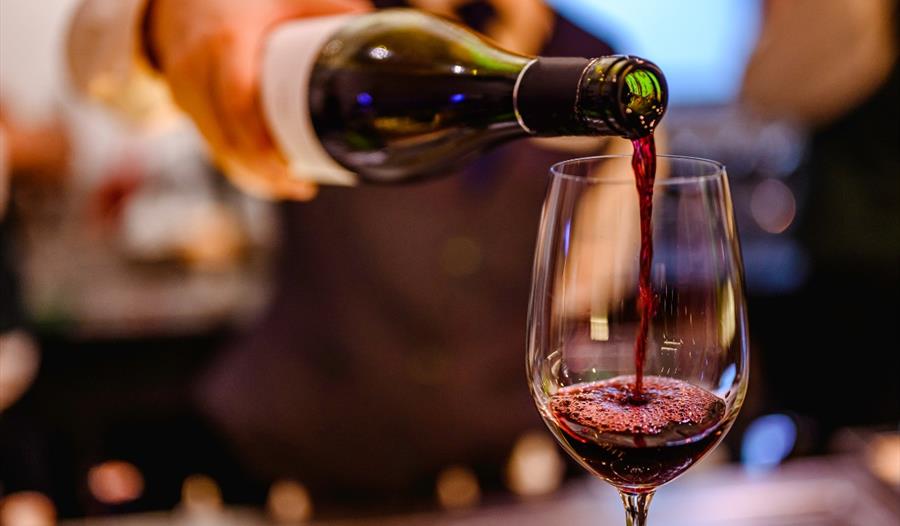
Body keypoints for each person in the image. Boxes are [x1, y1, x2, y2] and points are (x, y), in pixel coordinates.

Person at [67, 0, 627, 508]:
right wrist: (166, 19)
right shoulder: (318, 27)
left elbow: (592, 286)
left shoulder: (597, 66)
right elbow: (89, 59)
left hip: (506, 488)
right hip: (295, 479)